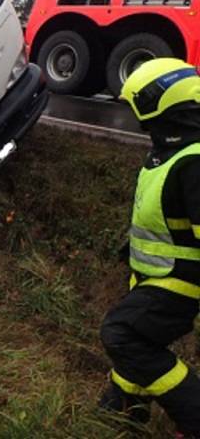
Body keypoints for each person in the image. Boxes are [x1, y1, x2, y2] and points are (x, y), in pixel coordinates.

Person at [100, 58, 200, 436]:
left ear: (160, 104)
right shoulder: (167, 153)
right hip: (152, 278)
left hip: (178, 284)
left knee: (122, 335)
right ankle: (123, 411)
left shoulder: (193, 162)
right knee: (136, 341)